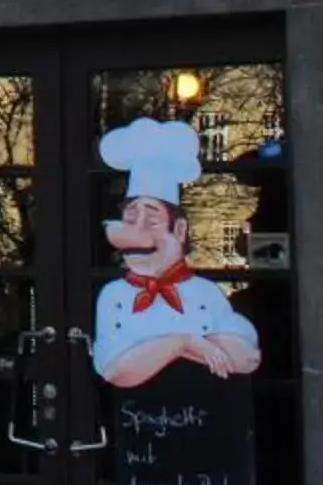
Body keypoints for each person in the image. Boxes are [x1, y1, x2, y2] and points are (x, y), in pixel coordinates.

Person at [89, 118, 262, 389]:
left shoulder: (206, 293)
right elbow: (115, 370)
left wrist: (153, 350)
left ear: (179, 230)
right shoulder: (113, 295)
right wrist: (186, 341)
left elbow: (245, 358)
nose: (139, 232)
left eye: (152, 220)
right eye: (131, 218)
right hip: (135, 417)